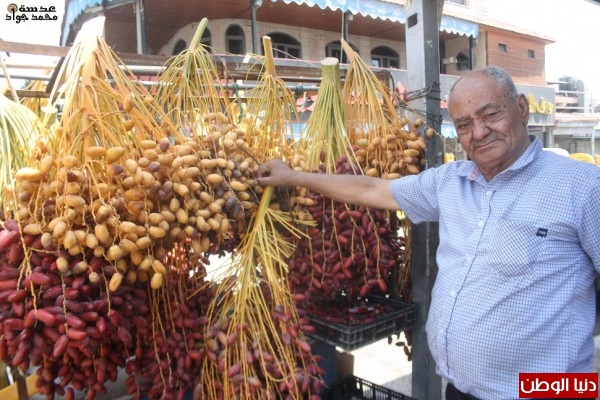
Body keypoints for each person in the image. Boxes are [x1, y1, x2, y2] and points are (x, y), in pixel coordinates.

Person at [256, 66, 600, 400]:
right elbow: (373, 190)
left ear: (521, 108)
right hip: (459, 389)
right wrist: (294, 178)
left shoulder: (583, 188)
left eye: (490, 114)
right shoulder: (451, 181)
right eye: (464, 125)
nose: (478, 133)